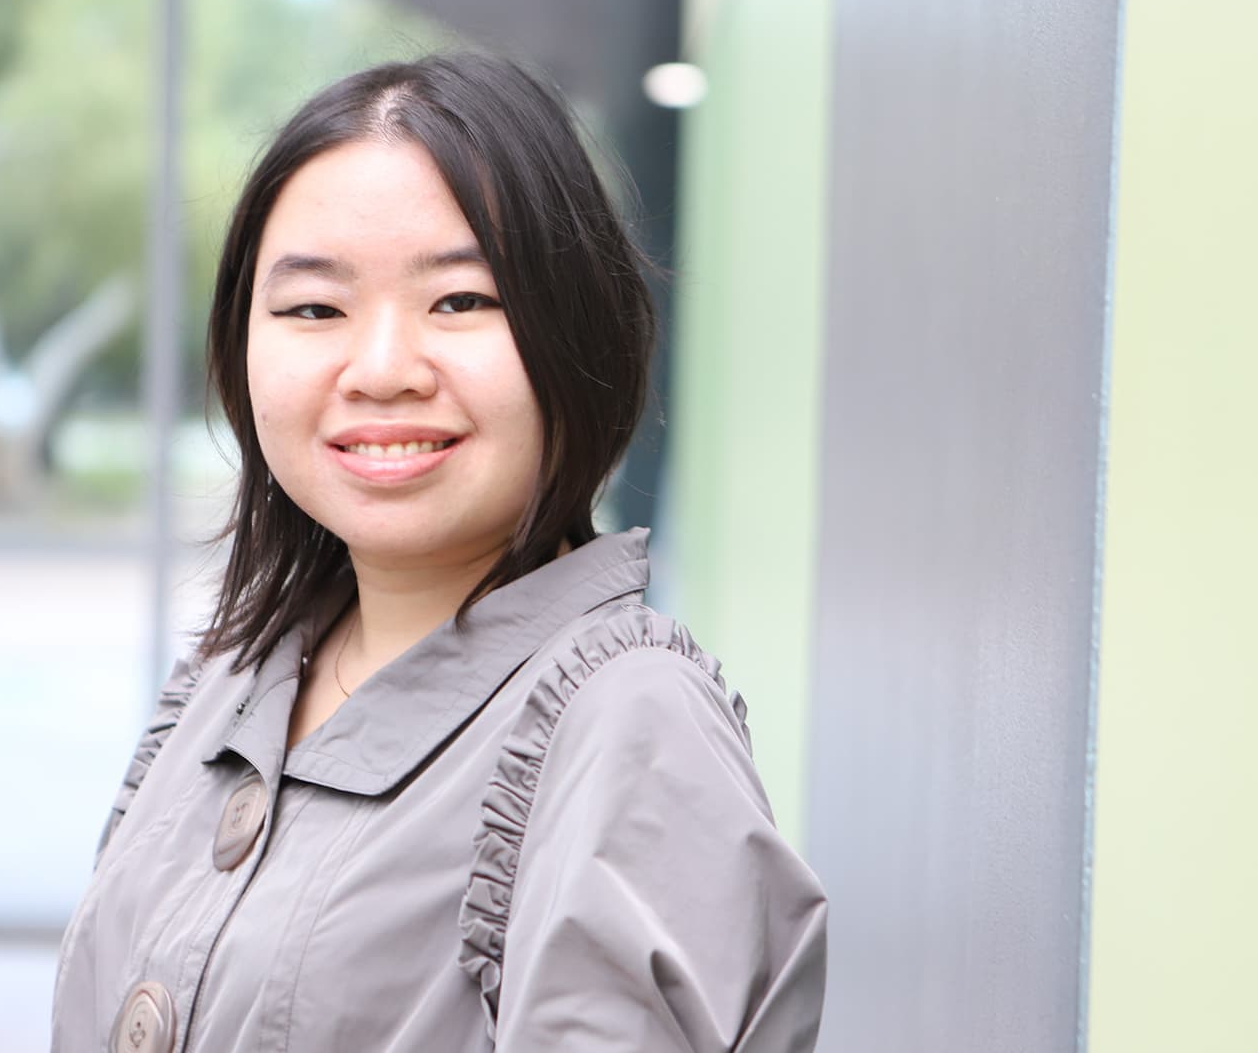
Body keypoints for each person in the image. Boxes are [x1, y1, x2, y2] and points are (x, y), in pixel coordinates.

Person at [50, 52, 827, 1052]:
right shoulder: (230, 681)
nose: (380, 371)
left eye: (461, 300)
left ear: (579, 330)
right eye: (314, 308)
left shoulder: (631, 726)